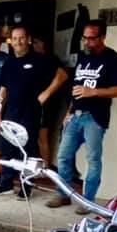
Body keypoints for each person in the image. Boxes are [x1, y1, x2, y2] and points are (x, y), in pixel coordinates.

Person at [47, 19, 117, 213]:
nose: (87, 43)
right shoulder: (83, 57)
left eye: (92, 39)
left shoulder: (113, 59)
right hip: (76, 115)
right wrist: (69, 112)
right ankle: (63, 193)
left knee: (93, 160)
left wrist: (94, 92)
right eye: (85, 38)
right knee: (63, 156)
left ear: (102, 37)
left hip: (95, 117)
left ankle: (88, 200)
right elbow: (77, 88)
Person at [0, 23, 68, 199]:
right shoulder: (9, 63)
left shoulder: (40, 60)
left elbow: (62, 75)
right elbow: (3, 89)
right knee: (8, 150)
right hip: (10, 112)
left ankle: (27, 186)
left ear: (28, 40)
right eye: (15, 39)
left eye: (21, 39)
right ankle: (6, 183)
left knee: (28, 152)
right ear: (11, 42)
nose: (18, 42)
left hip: (31, 113)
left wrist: (46, 94)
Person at [31, 34, 71, 171]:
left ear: (44, 43)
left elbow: (63, 75)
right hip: (31, 103)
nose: (34, 45)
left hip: (44, 104)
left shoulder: (50, 59)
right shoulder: (32, 58)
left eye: (37, 41)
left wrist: (46, 93)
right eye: (33, 42)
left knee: (42, 136)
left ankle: (46, 168)